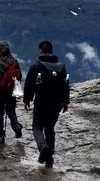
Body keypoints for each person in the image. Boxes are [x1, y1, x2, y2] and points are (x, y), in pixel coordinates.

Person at [23, 40, 70, 168]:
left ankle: (43, 147)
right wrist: (66, 101)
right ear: (52, 51)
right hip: (56, 103)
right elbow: (66, 85)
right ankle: (49, 159)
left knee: (37, 127)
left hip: (41, 101)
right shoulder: (62, 66)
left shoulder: (36, 66)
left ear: (41, 51)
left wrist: (26, 100)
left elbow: (28, 84)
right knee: (50, 128)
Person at [0, 41, 24, 144]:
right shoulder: (15, 61)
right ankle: (16, 125)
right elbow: (19, 76)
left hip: (0, 91)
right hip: (11, 91)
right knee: (11, 111)